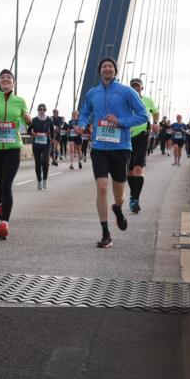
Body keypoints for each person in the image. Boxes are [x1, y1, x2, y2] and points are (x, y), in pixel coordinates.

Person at [76, 58, 148, 248]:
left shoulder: (127, 91)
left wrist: (121, 121)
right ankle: (105, 233)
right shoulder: (93, 93)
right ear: (100, 71)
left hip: (121, 147)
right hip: (99, 147)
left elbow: (144, 115)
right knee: (101, 187)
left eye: (110, 66)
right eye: (104, 66)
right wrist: (81, 125)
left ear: (115, 71)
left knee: (119, 195)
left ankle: (118, 208)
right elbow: (85, 113)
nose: (107, 69)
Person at [0, 69, 30, 240]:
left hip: (13, 147)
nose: (5, 79)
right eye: (2, 77)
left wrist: (27, 121)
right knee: (0, 186)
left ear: (13, 83)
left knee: (7, 184)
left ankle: (4, 223)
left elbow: (24, 123)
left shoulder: (20, 101)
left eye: (9, 77)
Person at [126, 77, 159, 214]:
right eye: (133, 85)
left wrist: (155, 123)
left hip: (142, 136)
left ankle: (135, 199)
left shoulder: (148, 100)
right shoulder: (125, 100)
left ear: (142, 87)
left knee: (138, 168)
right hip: (126, 136)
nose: (135, 87)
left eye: (138, 85)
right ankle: (133, 195)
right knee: (129, 171)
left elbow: (155, 112)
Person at [30, 103, 55, 189]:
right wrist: (32, 133)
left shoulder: (49, 120)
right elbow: (29, 130)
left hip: (46, 144)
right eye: (40, 109)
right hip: (36, 144)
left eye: (43, 109)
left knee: (45, 162)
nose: (42, 111)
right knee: (37, 163)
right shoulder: (34, 120)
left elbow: (52, 130)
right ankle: (39, 181)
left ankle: (45, 180)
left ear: (45, 110)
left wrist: (52, 138)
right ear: (38, 110)